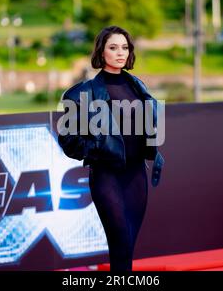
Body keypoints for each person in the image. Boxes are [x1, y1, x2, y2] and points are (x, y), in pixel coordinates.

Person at [57, 25, 164, 271]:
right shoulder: (83, 92)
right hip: (107, 177)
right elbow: (68, 141)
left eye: (124, 47)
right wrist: (98, 148)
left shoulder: (138, 86)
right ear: (101, 52)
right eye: (113, 47)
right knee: (121, 242)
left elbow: (148, 126)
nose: (120, 53)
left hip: (137, 176)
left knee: (127, 249)